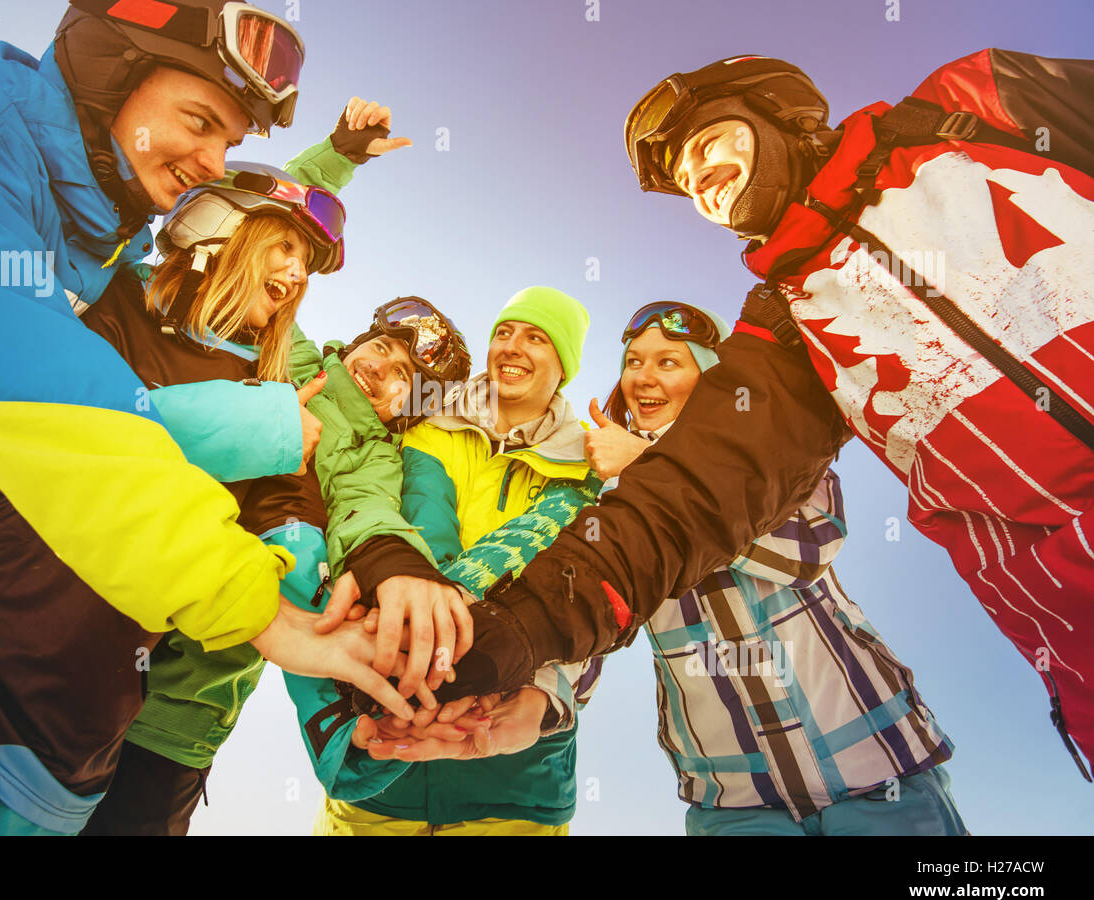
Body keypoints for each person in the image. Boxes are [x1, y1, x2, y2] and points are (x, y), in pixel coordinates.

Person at [436, 50, 1094, 782]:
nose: (697, 178)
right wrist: (520, 628)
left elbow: (806, 543)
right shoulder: (787, 329)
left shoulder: (964, 110)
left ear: (777, 108)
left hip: (876, 766)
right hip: (1078, 622)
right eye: (684, 180)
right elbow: (690, 501)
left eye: (706, 142)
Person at [0, 0, 393, 691]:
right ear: (112, 73)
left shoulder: (95, 241)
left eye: (229, 144)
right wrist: (249, 602)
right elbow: (42, 396)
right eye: (200, 122)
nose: (214, 165)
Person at [0, 159, 407, 835]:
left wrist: (356, 708)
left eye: (307, 267)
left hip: (78, 724)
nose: (296, 275)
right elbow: (4, 404)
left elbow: (293, 573)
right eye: (286, 246)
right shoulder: (103, 292)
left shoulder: (285, 404)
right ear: (217, 222)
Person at [83, 296, 475, 835]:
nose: (380, 368)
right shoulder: (288, 350)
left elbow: (367, 514)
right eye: (380, 347)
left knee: (310, 563)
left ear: (405, 410)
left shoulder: (373, 456)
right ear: (356, 342)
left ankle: (347, 705)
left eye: (402, 377)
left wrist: (394, 561)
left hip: (186, 702)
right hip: (101, 632)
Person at [585, 300, 965, 835]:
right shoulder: (609, 497)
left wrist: (649, 469)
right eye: (634, 362)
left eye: (669, 362)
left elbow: (804, 551)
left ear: (713, 379)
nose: (643, 378)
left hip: (877, 766)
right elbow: (592, 621)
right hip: (735, 800)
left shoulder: (780, 450)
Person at [311, 286, 604, 835]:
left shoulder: (587, 463)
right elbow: (394, 536)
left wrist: (547, 695)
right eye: (504, 333)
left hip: (518, 776)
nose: (512, 347)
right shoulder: (421, 425)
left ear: (563, 363)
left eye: (536, 337)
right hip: (386, 756)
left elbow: (592, 600)